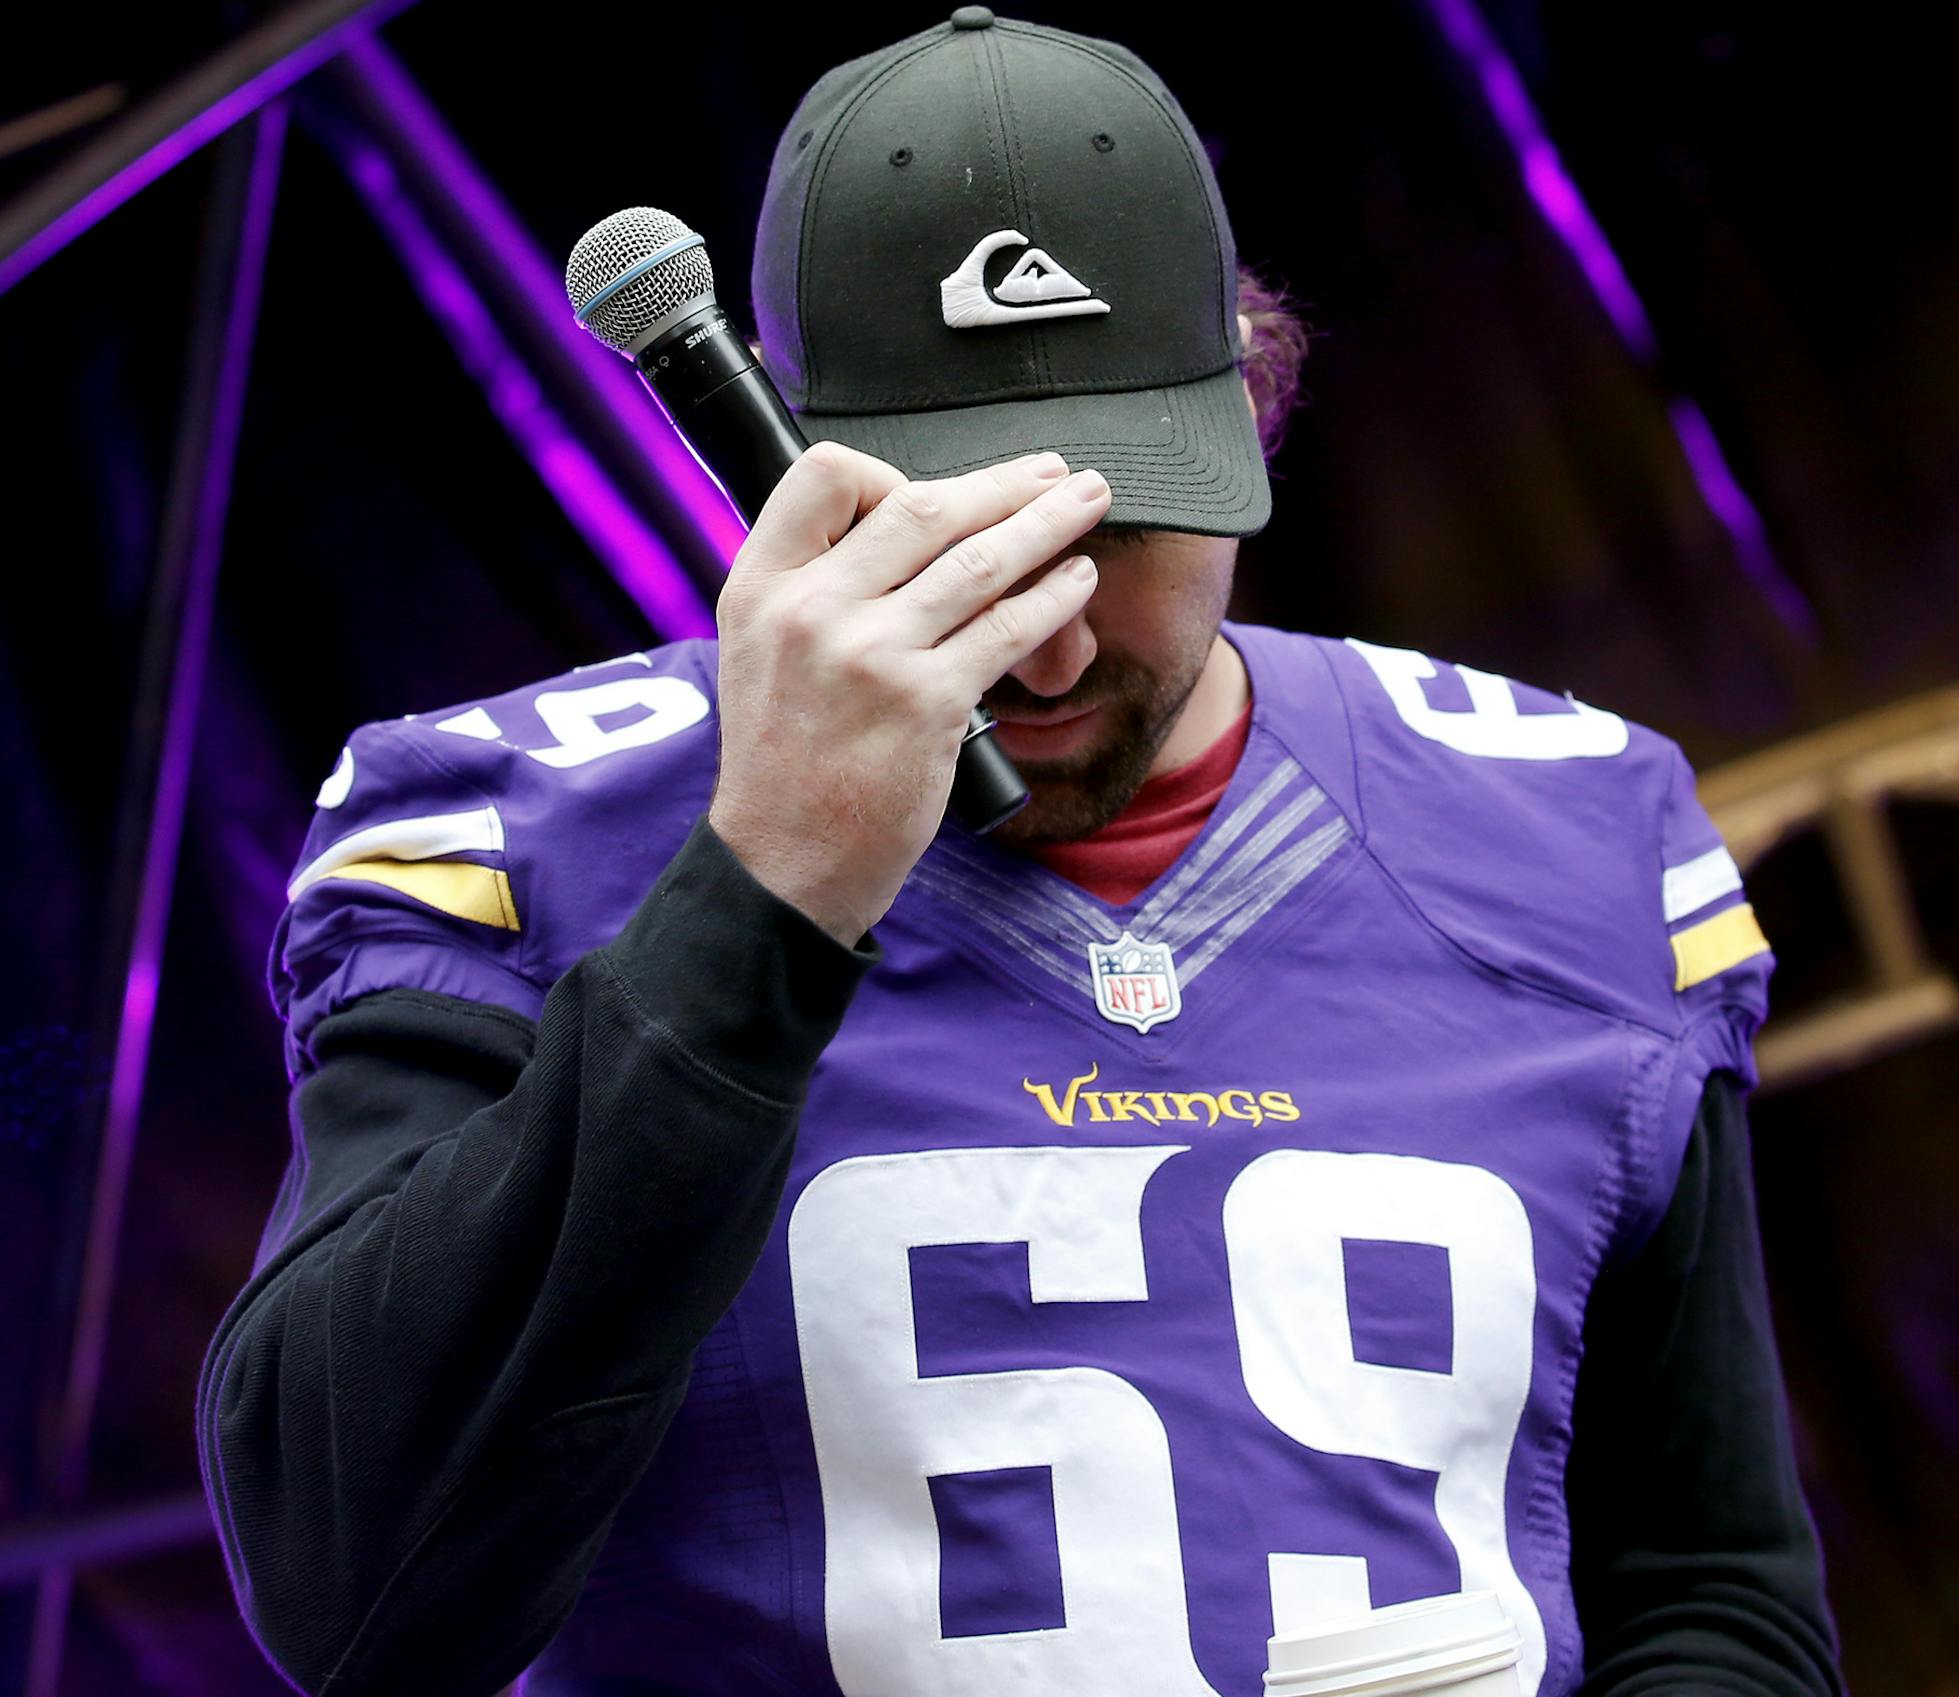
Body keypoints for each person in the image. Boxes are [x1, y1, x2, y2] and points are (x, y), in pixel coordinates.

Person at [197, 11, 1844, 1696]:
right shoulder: (518, 834)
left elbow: (1712, 1590)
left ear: (1254, 415)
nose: (1049, 650)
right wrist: (764, 885)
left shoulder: (1564, 826)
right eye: (966, 544)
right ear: (776, 474)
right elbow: (355, 1593)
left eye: (1119, 525)